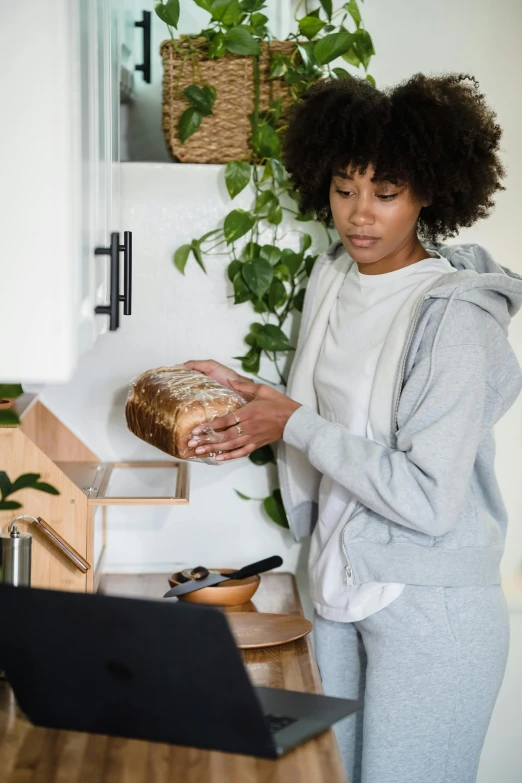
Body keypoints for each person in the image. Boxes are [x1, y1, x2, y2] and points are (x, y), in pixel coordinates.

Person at [184, 73, 522, 783]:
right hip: (340, 581)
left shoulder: (455, 319)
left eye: (386, 193)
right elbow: (328, 420)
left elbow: (430, 499)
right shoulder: (335, 275)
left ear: (430, 190)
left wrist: (297, 423)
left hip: (434, 609)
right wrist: (258, 413)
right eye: (344, 189)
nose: (359, 215)